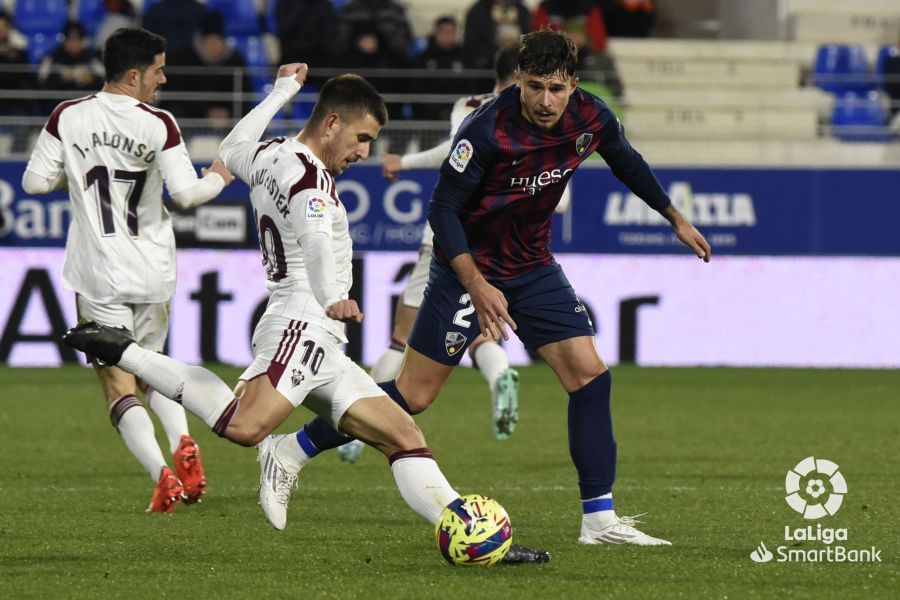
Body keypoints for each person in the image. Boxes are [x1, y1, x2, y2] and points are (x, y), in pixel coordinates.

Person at [61, 62, 549, 564]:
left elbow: (230, 150)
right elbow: (316, 240)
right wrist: (330, 295)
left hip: (315, 333)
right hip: (302, 321)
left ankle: (475, 535)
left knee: (403, 434)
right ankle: (128, 353)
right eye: (361, 137)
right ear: (332, 123)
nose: (364, 152)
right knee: (244, 426)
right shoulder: (310, 180)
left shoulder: (271, 154)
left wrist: (279, 93)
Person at [268, 30, 712, 546]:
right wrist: (475, 284)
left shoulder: (592, 117)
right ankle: (292, 448)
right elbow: (442, 210)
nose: (546, 101)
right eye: (536, 87)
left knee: (590, 377)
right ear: (519, 81)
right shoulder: (487, 130)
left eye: (557, 89)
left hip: (533, 267)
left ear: (574, 85)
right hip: (466, 268)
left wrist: (673, 217)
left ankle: (599, 520)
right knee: (413, 395)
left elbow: (626, 160)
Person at [24, 28, 235, 512]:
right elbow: (185, 197)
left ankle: (162, 475)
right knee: (153, 369)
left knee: (118, 385)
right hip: (153, 270)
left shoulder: (68, 115)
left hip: (97, 273)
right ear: (135, 74)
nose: (163, 78)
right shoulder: (158, 124)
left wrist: (75, 179)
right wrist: (218, 177)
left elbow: (35, 183)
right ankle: (184, 440)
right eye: (158, 70)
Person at [335, 45, 570, 464]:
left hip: (454, 240)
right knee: (476, 324)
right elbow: (563, 196)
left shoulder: (472, 107)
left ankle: (356, 425)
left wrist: (403, 162)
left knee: (402, 335)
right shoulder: (551, 121)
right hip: (513, 249)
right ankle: (499, 373)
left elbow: (453, 153)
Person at [37, 21, 104, 94]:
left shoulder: (93, 58)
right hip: (58, 103)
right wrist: (60, 79)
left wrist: (92, 80)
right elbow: (40, 85)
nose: (74, 44)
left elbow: (106, 84)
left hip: (87, 102)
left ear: (83, 41)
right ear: (64, 41)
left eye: (77, 40)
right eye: (70, 40)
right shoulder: (51, 58)